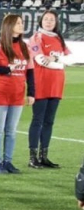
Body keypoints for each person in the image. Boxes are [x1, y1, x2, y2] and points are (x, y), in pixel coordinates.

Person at [0, 15, 34, 174]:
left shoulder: (25, 47)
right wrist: (8, 69)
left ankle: (8, 161)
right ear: (9, 26)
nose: (21, 25)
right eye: (18, 23)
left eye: (22, 23)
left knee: (11, 131)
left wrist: (31, 92)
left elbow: (30, 71)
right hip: (0, 92)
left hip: (17, 94)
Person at [28, 10, 71, 169]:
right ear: (40, 21)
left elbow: (70, 59)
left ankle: (44, 156)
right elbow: (40, 60)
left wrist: (55, 58)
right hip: (41, 83)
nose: (48, 22)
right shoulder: (36, 38)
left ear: (56, 22)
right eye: (46, 19)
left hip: (57, 85)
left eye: (51, 19)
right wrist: (60, 62)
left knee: (49, 122)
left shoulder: (59, 39)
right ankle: (32, 157)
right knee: (38, 120)